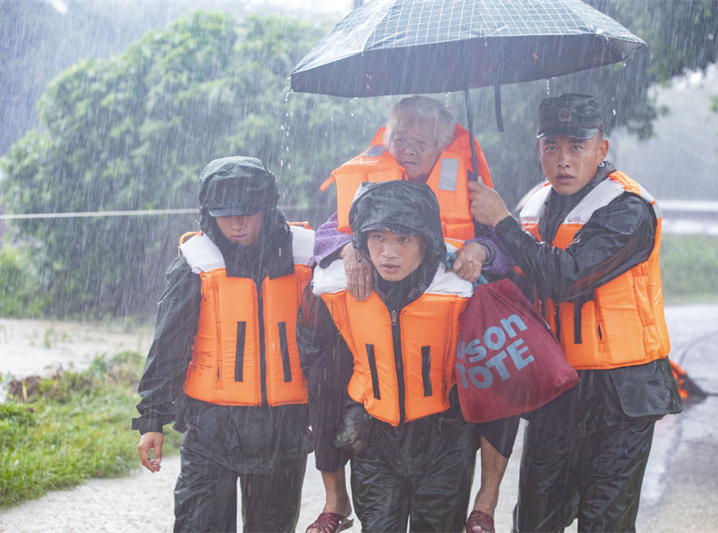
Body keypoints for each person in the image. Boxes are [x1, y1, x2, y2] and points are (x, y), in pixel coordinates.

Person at [469, 93, 683, 532]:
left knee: (604, 524)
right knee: (533, 520)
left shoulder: (628, 208)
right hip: (556, 384)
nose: (562, 160)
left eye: (576, 147)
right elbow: (515, 274)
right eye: (552, 147)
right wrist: (481, 248)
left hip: (622, 392)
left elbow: (566, 278)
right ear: (539, 149)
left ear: (600, 150)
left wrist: (501, 224)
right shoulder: (535, 205)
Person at [305, 95, 517, 533]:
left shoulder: (471, 186)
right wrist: (349, 249)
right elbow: (323, 235)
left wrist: (479, 248)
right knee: (325, 373)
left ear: (444, 143)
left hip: (448, 333)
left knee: (504, 368)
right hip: (374, 326)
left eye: (420, 140)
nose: (407, 148)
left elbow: (508, 250)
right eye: (398, 138)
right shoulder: (370, 181)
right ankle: (334, 497)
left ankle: (485, 500)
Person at [132, 156, 314, 532]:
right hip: (211, 426)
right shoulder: (195, 263)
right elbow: (167, 345)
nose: (237, 223)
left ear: (267, 207)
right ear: (208, 212)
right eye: (225, 214)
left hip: (283, 426)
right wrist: (151, 420)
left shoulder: (306, 254)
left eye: (248, 212)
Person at [300, 180, 480, 532]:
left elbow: (505, 254)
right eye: (378, 237)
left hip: (444, 438)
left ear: (426, 241)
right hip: (374, 439)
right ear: (361, 242)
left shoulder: (462, 289)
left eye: (403, 239)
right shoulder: (336, 288)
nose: (388, 253)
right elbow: (313, 353)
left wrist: (482, 251)